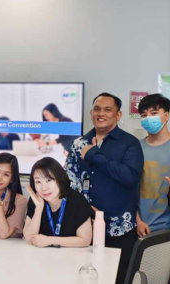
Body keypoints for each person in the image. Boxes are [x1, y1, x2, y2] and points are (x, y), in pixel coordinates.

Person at [65, 92, 143, 284]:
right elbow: (69, 181)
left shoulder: (129, 143)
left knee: (117, 278)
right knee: (83, 277)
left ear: (118, 115)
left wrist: (95, 155)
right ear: (91, 113)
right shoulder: (78, 143)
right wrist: (83, 208)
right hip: (84, 227)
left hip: (119, 229)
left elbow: (130, 177)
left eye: (108, 109)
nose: (101, 113)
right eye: (97, 109)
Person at [23, 157, 93, 247]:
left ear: (59, 179)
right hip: (42, 257)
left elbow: (85, 240)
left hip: (73, 257)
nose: (44, 188)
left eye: (48, 180)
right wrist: (39, 209)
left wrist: (50, 240)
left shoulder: (77, 200)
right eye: (38, 182)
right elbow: (29, 238)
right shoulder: (36, 200)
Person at [136, 94, 170, 237]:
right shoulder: (135, 148)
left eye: (154, 113)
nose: (148, 118)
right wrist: (137, 221)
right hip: (138, 226)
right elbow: (127, 190)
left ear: (166, 116)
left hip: (166, 228)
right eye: (144, 115)